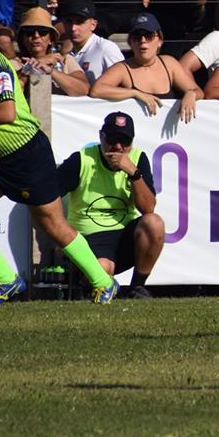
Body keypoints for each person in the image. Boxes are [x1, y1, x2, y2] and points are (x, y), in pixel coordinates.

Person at [0, 9, 120, 306]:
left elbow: (6, 113)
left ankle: (103, 282)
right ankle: (7, 280)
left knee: (53, 225)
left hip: (26, 154)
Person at [56, 111, 166, 299]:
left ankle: (137, 287)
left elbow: (148, 208)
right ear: (101, 137)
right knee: (103, 269)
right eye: (113, 140)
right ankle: (87, 283)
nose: (118, 147)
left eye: (125, 142)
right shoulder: (82, 159)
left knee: (154, 223)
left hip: (124, 235)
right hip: (89, 238)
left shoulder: (138, 158)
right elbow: (49, 196)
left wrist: (133, 173)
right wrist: (60, 235)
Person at [90, 12, 202, 121]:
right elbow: (96, 90)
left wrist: (191, 94)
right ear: (130, 42)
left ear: (160, 41)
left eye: (149, 36)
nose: (143, 41)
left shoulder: (169, 64)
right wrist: (135, 93)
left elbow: (198, 91)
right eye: (137, 36)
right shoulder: (123, 68)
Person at [15, 6, 90, 96]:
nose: (36, 35)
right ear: (22, 38)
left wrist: (51, 71)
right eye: (29, 31)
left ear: (51, 38)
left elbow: (83, 89)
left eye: (42, 31)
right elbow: (8, 93)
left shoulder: (64, 60)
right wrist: (29, 67)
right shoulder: (13, 64)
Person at [58, 0, 123, 84]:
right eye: (69, 21)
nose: (73, 28)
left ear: (93, 24)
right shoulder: (67, 53)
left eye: (80, 22)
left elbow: (122, 83)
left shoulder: (105, 48)